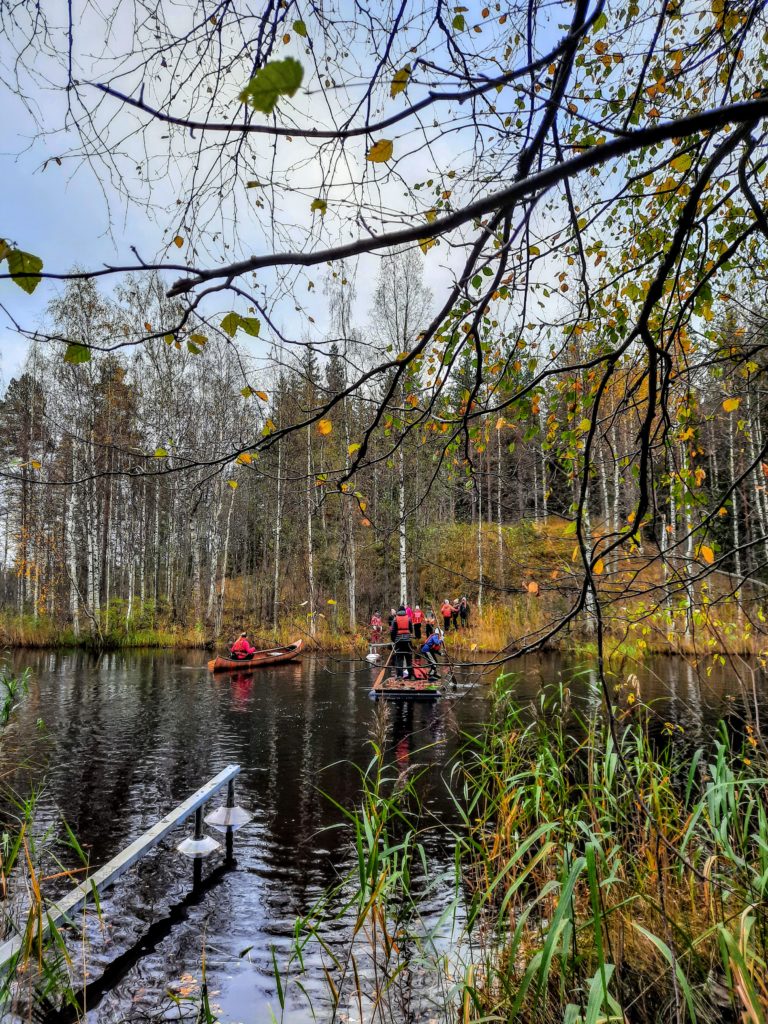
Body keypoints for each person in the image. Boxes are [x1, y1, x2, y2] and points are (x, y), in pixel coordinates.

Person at [390, 604, 413, 679]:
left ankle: (400, 676)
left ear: (398, 611)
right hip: (407, 641)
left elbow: (393, 631)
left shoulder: (395, 619)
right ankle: (410, 675)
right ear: (405, 611)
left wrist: (394, 640)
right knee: (409, 658)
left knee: (399, 659)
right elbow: (411, 629)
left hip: (399, 641)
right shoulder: (408, 618)